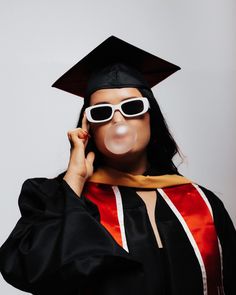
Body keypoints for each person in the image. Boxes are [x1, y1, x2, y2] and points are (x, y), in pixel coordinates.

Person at [0, 36, 235, 295]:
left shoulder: (204, 203)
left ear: (151, 117)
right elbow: (29, 269)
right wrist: (74, 181)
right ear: (88, 128)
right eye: (101, 112)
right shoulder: (63, 199)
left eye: (132, 107)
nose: (118, 120)